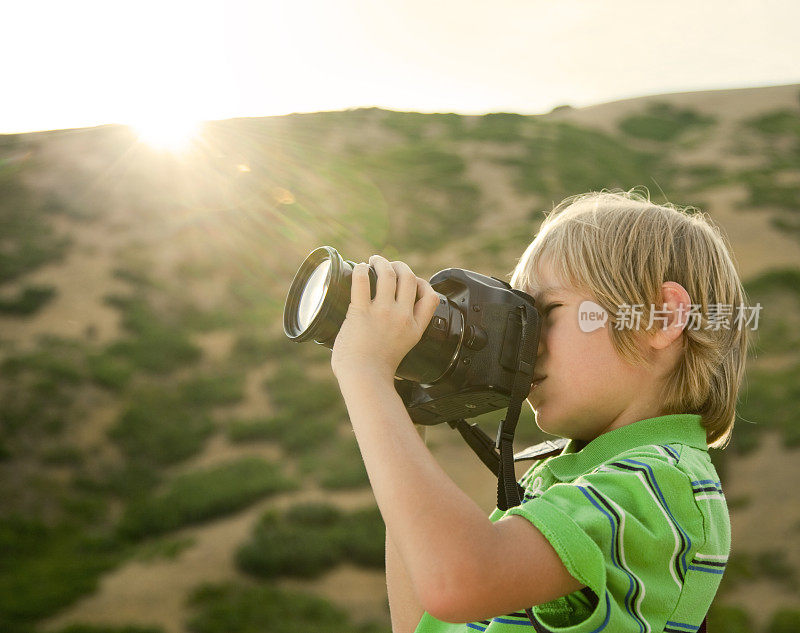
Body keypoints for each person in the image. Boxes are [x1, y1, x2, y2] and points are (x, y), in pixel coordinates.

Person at [330, 188, 750, 633]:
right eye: (520, 320)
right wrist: (402, 416)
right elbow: (423, 624)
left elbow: (457, 583)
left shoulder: (657, 483)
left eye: (547, 312)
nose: (526, 347)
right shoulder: (568, 480)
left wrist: (364, 372)